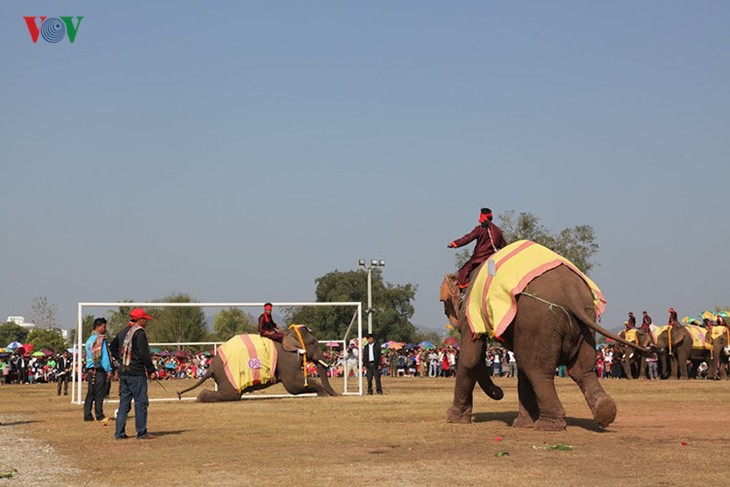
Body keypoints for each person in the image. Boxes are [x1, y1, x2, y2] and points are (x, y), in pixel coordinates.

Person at [110, 308, 157, 440]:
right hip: (136, 372)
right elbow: (144, 354)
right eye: (145, 320)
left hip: (124, 371)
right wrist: (151, 370)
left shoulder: (123, 332)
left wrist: (121, 359)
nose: (146, 322)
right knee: (141, 402)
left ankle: (119, 433)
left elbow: (112, 347)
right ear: (140, 319)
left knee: (124, 403)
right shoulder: (139, 332)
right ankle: (141, 432)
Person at [447, 207, 507, 289]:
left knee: (463, 271)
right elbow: (504, 246)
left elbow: (468, 238)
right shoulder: (497, 230)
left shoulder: (480, 228)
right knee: (493, 276)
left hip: (480, 258)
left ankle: (464, 290)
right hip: (493, 259)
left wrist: (455, 243)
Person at [83, 318, 113, 420]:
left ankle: (87, 415)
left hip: (90, 369)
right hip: (98, 369)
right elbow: (104, 356)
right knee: (99, 393)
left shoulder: (89, 340)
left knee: (90, 393)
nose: (105, 329)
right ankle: (99, 415)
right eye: (104, 327)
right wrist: (108, 369)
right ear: (98, 326)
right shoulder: (100, 340)